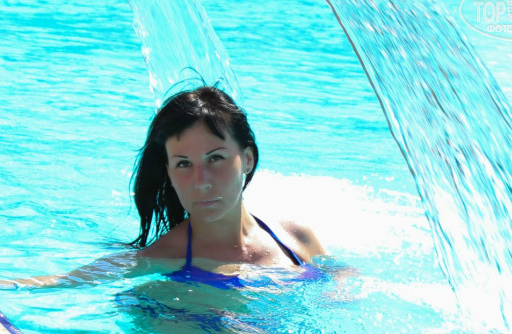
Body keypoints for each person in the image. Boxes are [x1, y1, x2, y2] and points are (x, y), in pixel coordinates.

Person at [2, 86, 325, 289]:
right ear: (168, 172)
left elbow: (340, 280)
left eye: (215, 158)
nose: (201, 180)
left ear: (248, 159)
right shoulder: (164, 256)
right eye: (183, 164)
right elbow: (59, 282)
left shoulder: (296, 238)